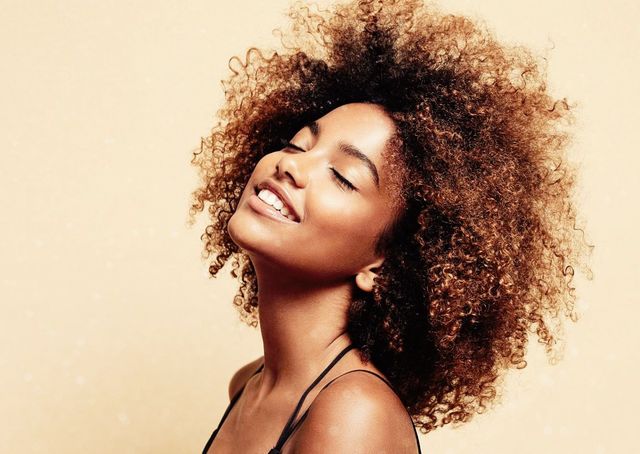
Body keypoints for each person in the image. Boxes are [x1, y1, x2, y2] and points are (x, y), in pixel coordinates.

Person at [188, 0, 594, 452]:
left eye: (343, 176)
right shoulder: (248, 385)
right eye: (297, 144)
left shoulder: (353, 415)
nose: (291, 165)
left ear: (382, 263)